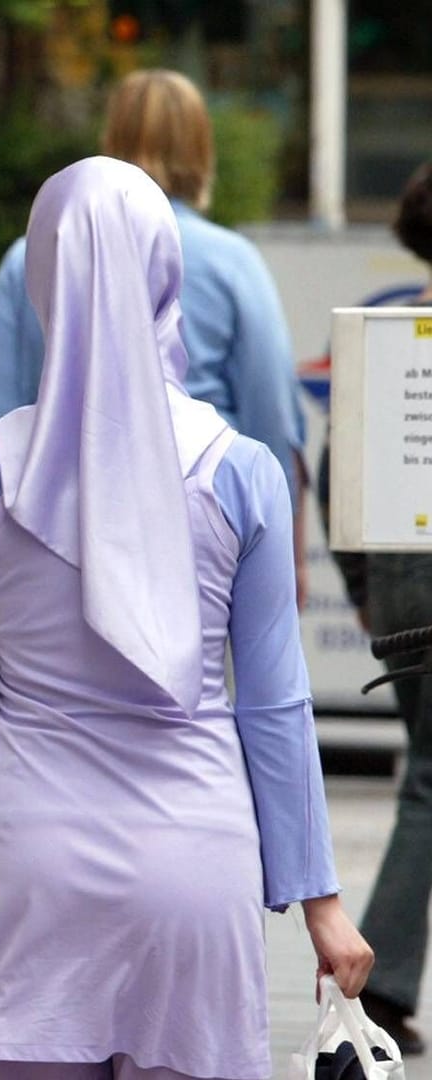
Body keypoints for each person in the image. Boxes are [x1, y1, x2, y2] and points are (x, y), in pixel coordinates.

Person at [0, 157, 371, 1080]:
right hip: (195, 864)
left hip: (27, 859)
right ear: (167, 271)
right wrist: (319, 902)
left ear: (44, 278)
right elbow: (275, 706)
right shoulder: (242, 472)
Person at [0, 70, 313, 603]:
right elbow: (272, 421)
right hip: (202, 547)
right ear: (203, 151)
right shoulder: (235, 265)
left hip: (51, 540)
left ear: (109, 144)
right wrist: (285, 560)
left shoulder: (31, 256)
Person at [321, 161, 432, 1056]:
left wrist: (363, 586)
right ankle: (387, 980)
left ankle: (389, 982)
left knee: (427, 773)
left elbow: (337, 470)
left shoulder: (389, 338)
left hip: (402, 585)